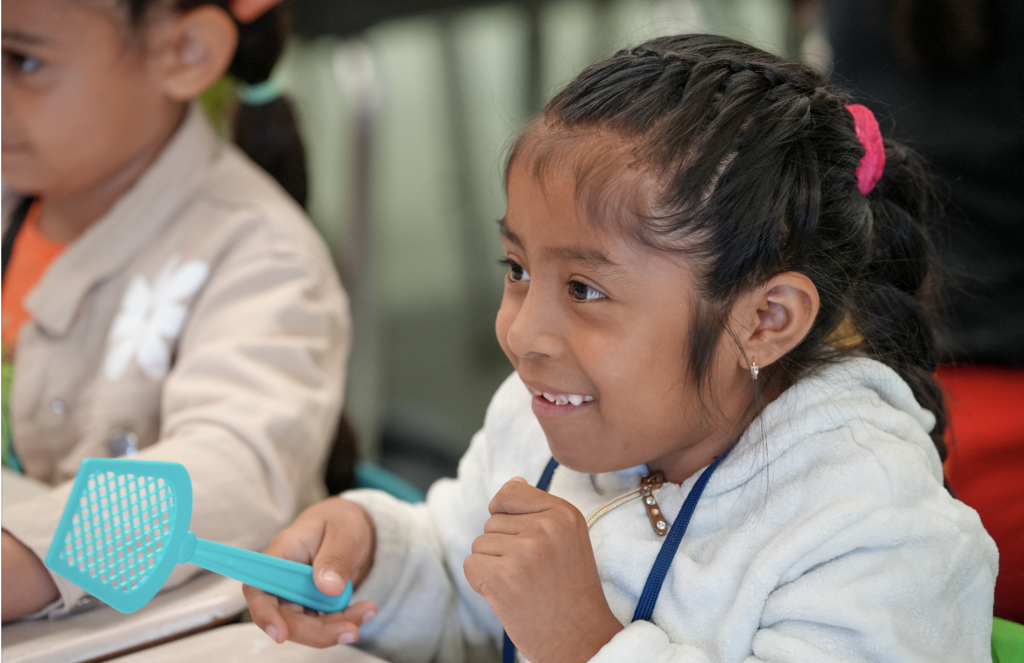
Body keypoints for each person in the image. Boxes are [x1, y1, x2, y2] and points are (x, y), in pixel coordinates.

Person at [243, 34, 997, 662]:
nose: (523, 334)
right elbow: (461, 567)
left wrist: (583, 641)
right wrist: (372, 551)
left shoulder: (874, 529)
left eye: (585, 290)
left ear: (764, 318)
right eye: (516, 269)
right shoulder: (548, 413)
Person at [1, 0, 350, 621]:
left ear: (184, 52)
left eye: (22, 60)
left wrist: (25, 560)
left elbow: (231, 471)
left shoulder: (263, 257)